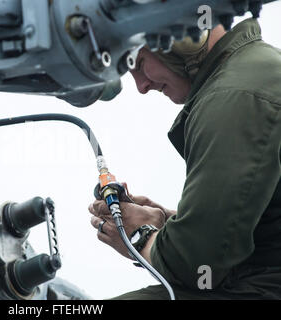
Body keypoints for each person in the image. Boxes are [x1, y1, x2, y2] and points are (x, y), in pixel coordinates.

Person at [88, 17, 281, 299]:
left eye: (139, 64)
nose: (141, 86)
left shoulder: (233, 98)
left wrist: (138, 238)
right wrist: (164, 223)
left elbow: (200, 264)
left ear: (185, 38)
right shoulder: (251, 72)